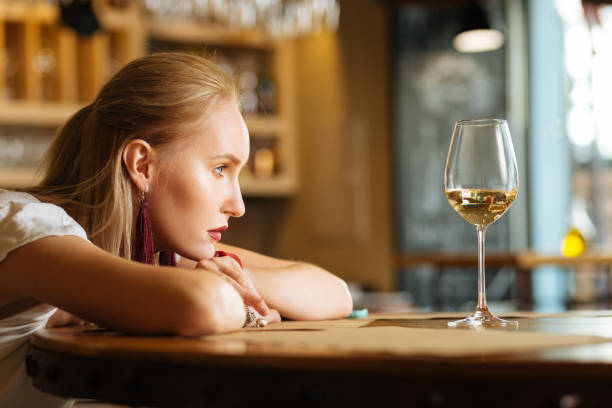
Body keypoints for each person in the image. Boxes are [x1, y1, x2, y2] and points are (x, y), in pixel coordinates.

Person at [0, 52, 353, 407]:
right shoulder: (26, 231)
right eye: (220, 169)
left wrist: (236, 285)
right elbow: (204, 304)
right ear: (143, 165)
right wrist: (240, 301)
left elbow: (335, 292)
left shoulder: (149, 250)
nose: (238, 205)